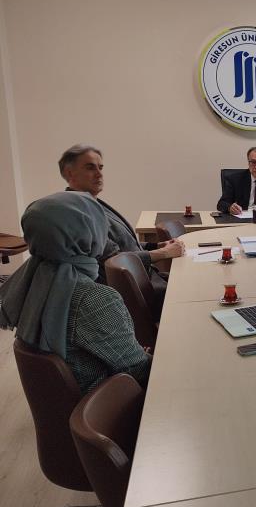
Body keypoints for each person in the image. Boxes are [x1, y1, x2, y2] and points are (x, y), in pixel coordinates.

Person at [0, 192, 151, 394]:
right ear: (89, 233)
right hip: (112, 403)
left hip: (67, 402)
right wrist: (145, 355)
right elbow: (140, 371)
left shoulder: (30, 281)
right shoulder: (96, 299)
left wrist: (132, 351)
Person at [59, 144, 184, 292]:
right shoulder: (77, 212)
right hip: (140, 291)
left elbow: (121, 243)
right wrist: (165, 253)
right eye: (90, 168)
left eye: (100, 168)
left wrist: (156, 246)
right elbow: (113, 259)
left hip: (149, 279)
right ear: (70, 173)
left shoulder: (92, 203)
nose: (99, 174)